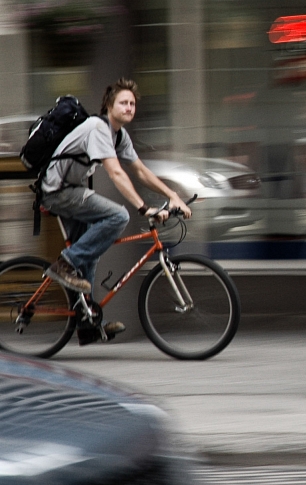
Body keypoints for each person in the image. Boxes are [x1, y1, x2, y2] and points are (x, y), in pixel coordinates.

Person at [41, 78, 192, 345]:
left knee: (90, 252)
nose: (129, 107)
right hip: (58, 192)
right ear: (109, 105)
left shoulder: (118, 134)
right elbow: (115, 173)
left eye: (132, 103)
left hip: (71, 190)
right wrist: (144, 208)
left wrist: (172, 195)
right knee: (118, 216)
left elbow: (141, 171)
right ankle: (65, 263)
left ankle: (85, 323)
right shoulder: (99, 127)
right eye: (123, 102)